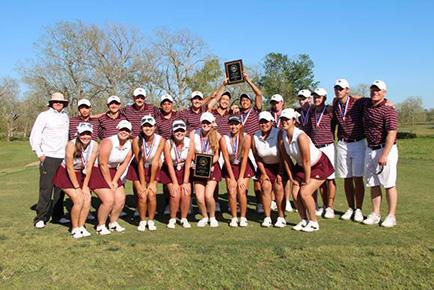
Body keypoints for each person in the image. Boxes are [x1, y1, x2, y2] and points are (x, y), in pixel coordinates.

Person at [279, 108, 335, 232]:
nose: (284, 122)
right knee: (295, 192)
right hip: (301, 166)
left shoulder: (301, 137)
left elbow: (307, 160)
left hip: (318, 165)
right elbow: (286, 160)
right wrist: (291, 177)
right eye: (282, 119)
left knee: (304, 192)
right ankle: (303, 220)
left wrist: (306, 179)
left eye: (287, 119)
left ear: (294, 120)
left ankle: (314, 222)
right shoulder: (282, 136)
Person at [30, 92, 70, 229]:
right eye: (55, 101)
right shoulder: (44, 116)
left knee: (60, 189)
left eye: (60, 101)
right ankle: (41, 217)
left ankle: (58, 216)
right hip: (48, 157)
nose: (58, 103)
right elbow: (35, 135)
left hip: (63, 157)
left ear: (64, 103)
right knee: (46, 188)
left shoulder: (65, 116)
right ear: (51, 103)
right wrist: (40, 154)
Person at [362, 80, 399, 228]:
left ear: (384, 93)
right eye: (373, 89)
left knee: (389, 184)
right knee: (373, 183)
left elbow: (392, 133)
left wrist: (384, 154)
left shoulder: (389, 110)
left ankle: (391, 216)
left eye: (378, 90)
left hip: (386, 150)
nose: (375, 92)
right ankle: (376, 213)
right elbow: (354, 97)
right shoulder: (366, 105)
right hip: (370, 148)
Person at [53, 122, 98, 238]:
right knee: (78, 200)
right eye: (83, 134)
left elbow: (89, 166)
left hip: (82, 174)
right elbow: (69, 168)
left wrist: (85, 186)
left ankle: (82, 226)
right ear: (78, 134)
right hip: (66, 174)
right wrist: (77, 188)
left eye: (88, 134)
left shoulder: (95, 145)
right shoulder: (71, 145)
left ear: (92, 134)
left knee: (87, 199)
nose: (85, 136)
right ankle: (74, 228)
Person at [89, 120, 133, 235]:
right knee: (108, 200)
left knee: (120, 199)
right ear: (118, 129)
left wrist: (114, 181)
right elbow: (102, 163)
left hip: (113, 171)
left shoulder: (130, 145)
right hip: (98, 170)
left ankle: (113, 222)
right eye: (122, 129)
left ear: (130, 132)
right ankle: (101, 225)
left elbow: (124, 164)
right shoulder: (108, 141)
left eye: (127, 130)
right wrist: (110, 183)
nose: (124, 132)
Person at [332, 79, 366, 222]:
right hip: (342, 144)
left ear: (347, 90)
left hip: (357, 143)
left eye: (341, 88)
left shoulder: (357, 102)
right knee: (346, 177)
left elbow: (373, 100)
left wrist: (388, 101)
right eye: (336, 88)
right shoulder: (335, 103)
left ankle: (358, 209)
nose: (338, 91)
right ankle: (350, 207)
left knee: (357, 178)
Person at [184, 112, 222, 227]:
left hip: (212, 167)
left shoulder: (217, 135)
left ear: (212, 124)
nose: (206, 125)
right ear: (201, 123)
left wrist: (210, 164)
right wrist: (192, 163)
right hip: (198, 168)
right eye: (204, 122)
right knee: (199, 198)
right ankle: (205, 217)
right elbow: (191, 152)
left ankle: (212, 217)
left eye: (208, 123)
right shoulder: (193, 134)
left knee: (208, 196)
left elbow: (217, 155)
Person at [251, 111, 285, 228]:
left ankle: (281, 217)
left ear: (271, 122)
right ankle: (267, 217)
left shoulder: (279, 133)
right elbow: (257, 157)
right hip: (264, 166)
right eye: (261, 122)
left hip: (279, 165)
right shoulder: (255, 136)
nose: (264, 124)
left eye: (266, 122)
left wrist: (280, 173)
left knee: (278, 187)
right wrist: (264, 173)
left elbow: (283, 156)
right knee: (265, 187)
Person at [307, 88, 337, 218]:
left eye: (319, 97)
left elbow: (340, 102)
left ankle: (329, 207)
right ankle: (318, 204)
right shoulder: (312, 111)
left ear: (324, 98)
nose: (316, 99)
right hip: (315, 147)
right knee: (317, 176)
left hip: (328, 146)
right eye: (315, 97)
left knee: (330, 178)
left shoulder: (330, 110)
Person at [133, 115, 165, 231]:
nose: (148, 128)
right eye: (145, 126)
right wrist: (142, 184)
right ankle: (142, 221)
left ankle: (150, 221)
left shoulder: (161, 140)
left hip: (153, 167)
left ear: (155, 127)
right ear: (141, 127)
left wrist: (151, 182)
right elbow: (140, 163)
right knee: (142, 195)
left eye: (150, 126)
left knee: (151, 194)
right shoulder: (136, 140)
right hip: (138, 168)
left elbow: (156, 161)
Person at [220, 115, 254, 227]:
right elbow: (225, 159)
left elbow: (244, 158)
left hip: (243, 166)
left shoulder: (246, 137)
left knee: (242, 190)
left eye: (236, 124)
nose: (233, 126)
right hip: (230, 166)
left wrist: (240, 178)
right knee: (231, 191)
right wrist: (232, 179)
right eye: (231, 124)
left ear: (240, 125)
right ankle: (234, 217)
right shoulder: (224, 139)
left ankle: (243, 217)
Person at [159, 120, 192, 229]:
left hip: (184, 170)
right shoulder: (167, 143)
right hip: (170, 170)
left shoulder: (189, 142)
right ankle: (172, 219)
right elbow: (168, 163)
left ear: (185, 131)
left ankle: (184, 218)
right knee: (175, 193)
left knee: (186, 193)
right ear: (172, 131)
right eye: (176, 130)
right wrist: (175, 183)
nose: (179, 133)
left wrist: (186, 182)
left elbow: (188, 163)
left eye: (181, 130)